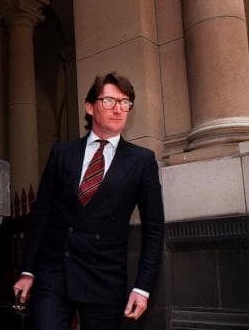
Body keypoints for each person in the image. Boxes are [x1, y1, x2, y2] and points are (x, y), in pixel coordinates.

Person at [13, 72, 165, 329]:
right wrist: (28, 271)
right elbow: (42, 215)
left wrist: (143, 287)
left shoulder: (141, 160)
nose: (118, 109)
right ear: (90, 106)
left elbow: (154, 227)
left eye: (125, 103)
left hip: (104, 278)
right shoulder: (62, 153)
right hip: (55, 273)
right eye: (109, 101)